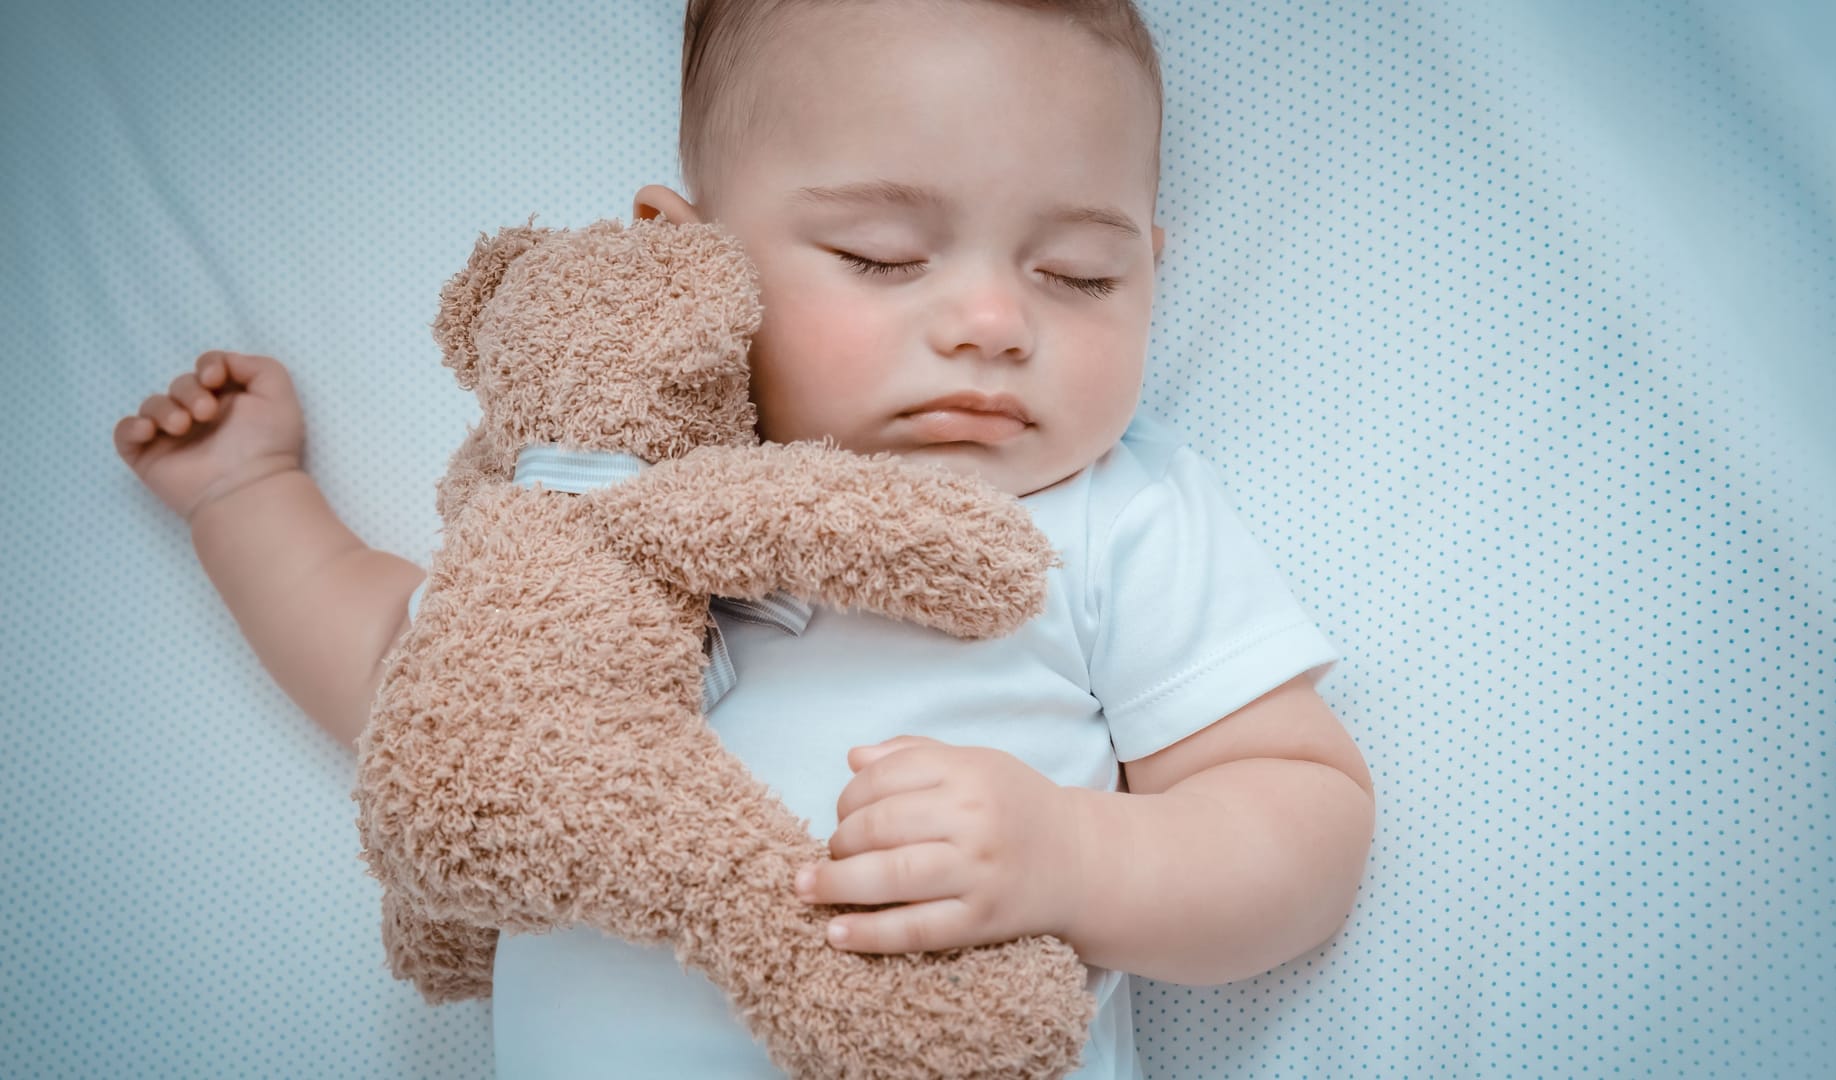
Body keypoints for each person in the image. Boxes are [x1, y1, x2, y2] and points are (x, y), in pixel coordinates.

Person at [111, 0, 1377, 1076]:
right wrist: (246, 495)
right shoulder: (601, 506)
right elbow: (403, 669)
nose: (993, 321)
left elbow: (1302, 814)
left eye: (1082, 275)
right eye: (882, 256)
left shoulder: (1115, 514)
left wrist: (1079, 859)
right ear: (693, 257)